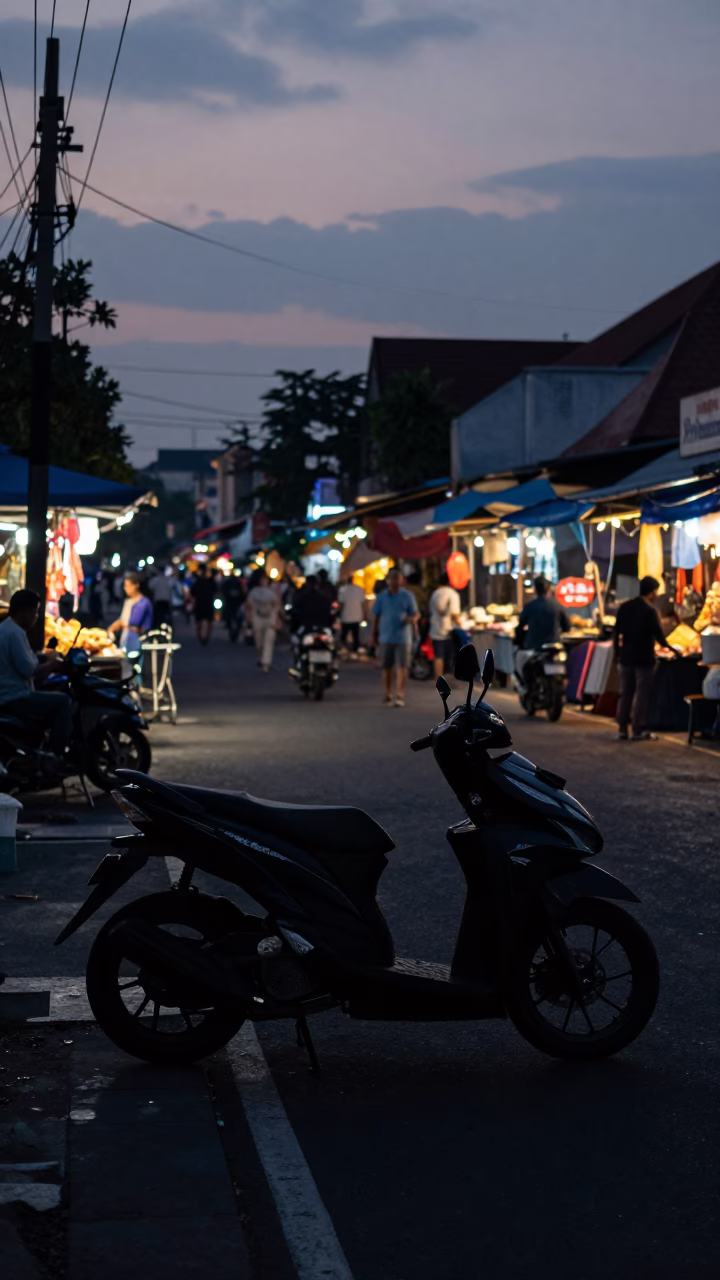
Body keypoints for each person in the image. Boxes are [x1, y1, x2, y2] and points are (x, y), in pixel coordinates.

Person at [0, 589, 72, 757]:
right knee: (63, 702)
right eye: (34, 611)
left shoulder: (8, 628)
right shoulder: (15, 633)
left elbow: (26, 661)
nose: (36, 616)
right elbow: (29, 670)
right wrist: (53, 665)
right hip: (14, 696)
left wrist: (42, 657)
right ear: (23, 611)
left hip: (8, 693)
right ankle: (56, 755)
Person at [614, 575, 677, 741]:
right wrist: (673, 650)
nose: (657, 595)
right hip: (644, 659)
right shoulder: (650, 611)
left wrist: (617, 654)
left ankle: (622, 729)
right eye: (656, 591)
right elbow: (659, 636)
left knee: (625, 693)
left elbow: (616, 632)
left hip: (626, 657)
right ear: (652, 592)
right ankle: (637, 729)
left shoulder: (625, 607)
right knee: (641, 695)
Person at [370, 566, 419, 707]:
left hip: (403, 637)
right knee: (387, 667)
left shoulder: (407, 596)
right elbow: (376, 616)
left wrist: (411, 620)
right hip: (385, 637)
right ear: (387, 581)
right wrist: (373, 635)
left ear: (401, 580)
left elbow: (415, 613)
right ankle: (388, 693)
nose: (394, 581)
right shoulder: (381, 597)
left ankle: (399, 694)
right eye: (391, 578)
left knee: (403, 667)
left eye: (397, 578)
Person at [107, 572, 153, 655]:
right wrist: (111, 628)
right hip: (125, 639)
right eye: (124, 586)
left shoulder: (144, 603)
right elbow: (123, 619)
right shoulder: (127, 601)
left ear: (136, 585)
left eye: (128, 586)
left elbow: (134, 622)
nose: (125, 588)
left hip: (138, 641)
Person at [246, 570, 281, 671]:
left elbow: (277, 605)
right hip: (258, 617)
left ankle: (266, 662)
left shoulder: (273, 591)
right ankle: (262, 658)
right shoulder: (254, 592)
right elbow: (249, 605)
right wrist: (248, 620)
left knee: (269, 640)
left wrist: (278, 619)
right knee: (259, 640)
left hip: (270, 617)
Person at [428, 573, 462, 679]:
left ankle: (438, 679)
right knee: (450, 655)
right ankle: (448, 677)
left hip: (435, 629)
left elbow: (430, 610)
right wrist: (461, 625)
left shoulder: (435, 594)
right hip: (449, 630)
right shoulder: (452, 594)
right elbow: (454, 614)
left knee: (438, 655)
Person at [338, 578, 367, 655]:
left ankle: (345, 649)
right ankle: (354, 651)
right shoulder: (360, 590)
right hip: (357, 616)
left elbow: (342, 605)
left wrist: (339, 614)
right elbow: (363, 604)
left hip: (346, 617)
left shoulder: (343, 590)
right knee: (356, 636)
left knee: (344, 635)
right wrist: (364, 615)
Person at [190, 564, 217, 645]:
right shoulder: (200, 581)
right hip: (203, 604)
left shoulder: (207, 581)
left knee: (205, 622)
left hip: (204, 604)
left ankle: (204, 638)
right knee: (203, 622)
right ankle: (202, 638)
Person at [147, 565, 173, 629]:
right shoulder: (168, 580)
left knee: (158, 617)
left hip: (158, 601)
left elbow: (150, 588)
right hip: (166, 601)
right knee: (166, 617)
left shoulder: (155, 580)